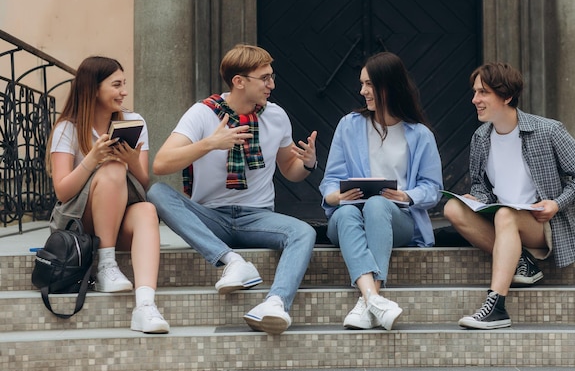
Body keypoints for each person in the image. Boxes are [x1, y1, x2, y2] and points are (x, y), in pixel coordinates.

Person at [147, 43, 317, 335]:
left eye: (271, 76)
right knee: (157, 193)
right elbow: (161, 164)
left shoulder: (276, 116)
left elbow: (290, 169)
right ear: (239, 81)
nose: (271, 84)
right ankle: (233, 261)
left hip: (258, 217)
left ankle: (274, 303)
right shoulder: (203, 114)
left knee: (304, 232)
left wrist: (308, 164)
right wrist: (210, 143)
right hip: (210, 217)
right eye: (264, 78)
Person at [443, 62, 575, 330]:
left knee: (506, 214)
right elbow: (482, 183)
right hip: (503, 220)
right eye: (475, 92)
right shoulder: (481, 137)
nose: (475, 100)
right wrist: (477, 198)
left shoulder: (547, 130)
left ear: (506, 96)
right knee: (452, 209)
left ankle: (497, 307)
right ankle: (520, 261)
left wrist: (556, 203)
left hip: (543, 224)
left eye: (483, 93)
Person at [319, 52, 443, 330]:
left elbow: (433, 189)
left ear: (389, 86)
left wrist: (407, 196)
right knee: (350, 210)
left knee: (377, 205)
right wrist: (335, 197)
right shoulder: (349, 125)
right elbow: (330, 180)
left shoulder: (420, 135)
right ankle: (373, 298)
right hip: (348, 218)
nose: (362, 91)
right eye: (362, 84)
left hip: (395, 219)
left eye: (369, 84)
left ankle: (368, 297)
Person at [46, 56, 170, 334]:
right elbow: (62, 191)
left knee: (147, 210)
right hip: (78, 225)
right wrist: (93, 159)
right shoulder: (68, 128)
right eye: (116, 85)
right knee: (113, 168)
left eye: (124, 84)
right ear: (93, 88)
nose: (124, 92)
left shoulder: (134, 121)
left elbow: (143, 181)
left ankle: (145, 306)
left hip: (117, 216)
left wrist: (132, 159)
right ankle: (106, 264)